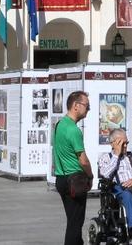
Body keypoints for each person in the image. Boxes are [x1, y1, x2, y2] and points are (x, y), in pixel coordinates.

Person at [53, 90, 94, 245]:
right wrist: (90, 176)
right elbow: (83, 161)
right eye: (87, 106)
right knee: (75, 224)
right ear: (76, 106)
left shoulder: (59, 124)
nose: (88, 109)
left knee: (73, 220)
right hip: (74, 181)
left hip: (62, 179)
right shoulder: (73, 130)